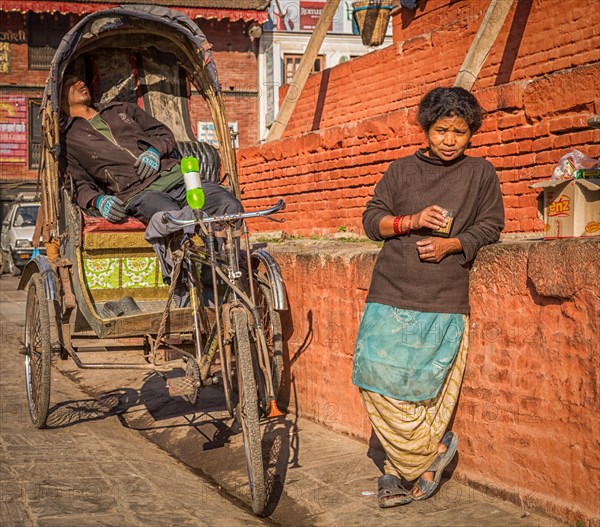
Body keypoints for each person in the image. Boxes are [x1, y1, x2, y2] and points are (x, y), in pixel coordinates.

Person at [352, 87, 504, 507]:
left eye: (459, 131)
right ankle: (428, 455)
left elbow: (491, 225)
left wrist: (452, 245)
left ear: (471, 133)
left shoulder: (481, 174)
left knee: (429, 389)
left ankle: (396, 471)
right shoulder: (401, 170)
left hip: (444, 295)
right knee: (372, 376)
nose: (450, 140)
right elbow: (371, 219)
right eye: (441, 130)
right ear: (426, 129)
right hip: (391, 289)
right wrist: (410, 221)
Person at [58, 75, 242, 229]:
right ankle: (185, 270)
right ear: (59, 98)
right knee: (174, 219)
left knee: (230, 206)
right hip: (140, 194)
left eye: (80, 80)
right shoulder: (67, 139)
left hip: (179, 178)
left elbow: (163, 134)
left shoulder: (121, 109)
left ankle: (222, 266)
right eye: (70, 84)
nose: (80, 83)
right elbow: (78, 183)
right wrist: (98, 201)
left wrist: (154, 151)